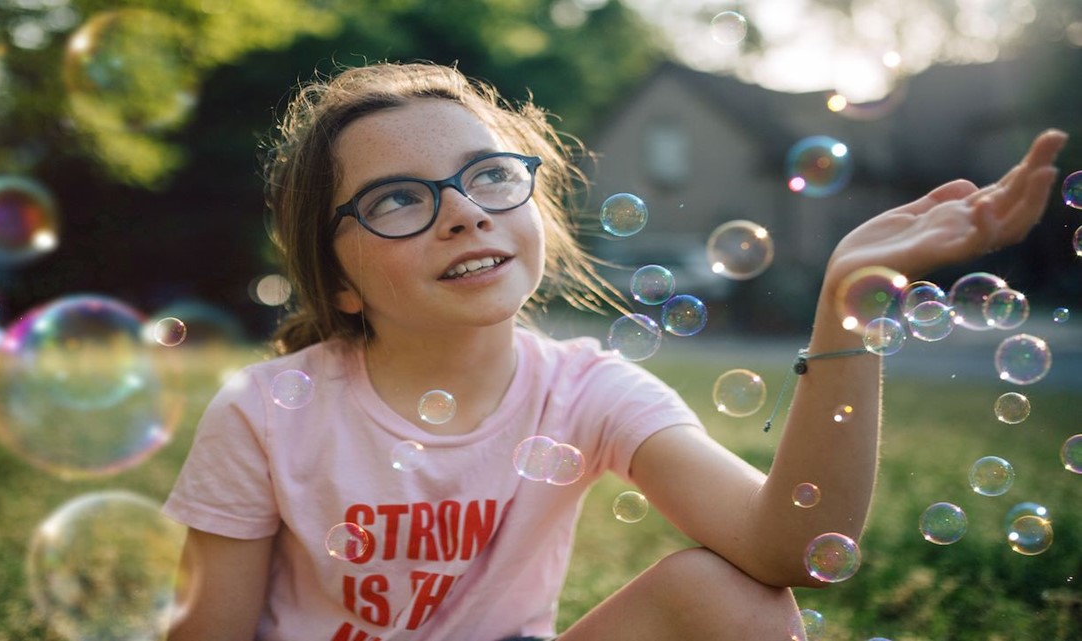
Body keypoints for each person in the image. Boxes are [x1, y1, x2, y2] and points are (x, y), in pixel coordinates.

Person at [161, 60, 1067, 641]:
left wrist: (848, 306)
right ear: (340, 279)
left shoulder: (584, 389)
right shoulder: (268, 410)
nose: (463, 210)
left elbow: (789, 546)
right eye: (399, 199)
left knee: (726, 594)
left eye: (488, 176)